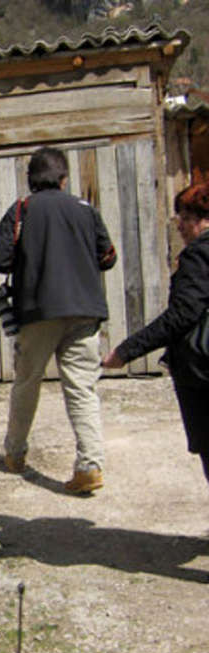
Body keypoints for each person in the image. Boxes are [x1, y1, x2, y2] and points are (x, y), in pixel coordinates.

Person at [0, 146, 117, 494]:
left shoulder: (21, 210)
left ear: (31, 179)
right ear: (64, 179)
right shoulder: (85, 209)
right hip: (85, 310)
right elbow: (108, 257)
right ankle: (90, 465)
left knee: (27, 382)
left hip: (37, 311)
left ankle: (15, 453)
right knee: (82, 388)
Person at [103, 183, 209, 485]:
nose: (178, 223)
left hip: (203, 373)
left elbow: (182, 315)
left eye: (183, 215)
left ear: (199, 218)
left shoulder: (197, 257)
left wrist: (126, 351)